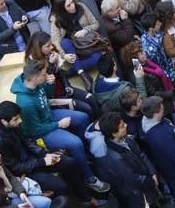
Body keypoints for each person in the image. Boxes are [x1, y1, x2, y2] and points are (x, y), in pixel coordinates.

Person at [11, 59, 109, 195]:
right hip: (41, 132)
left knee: (83, 118)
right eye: (44, 75)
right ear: (34, 78)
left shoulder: (34, 84)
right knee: (75, 143)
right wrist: (59, 124)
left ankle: (85, 154)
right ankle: (89, 179)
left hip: (48, 115)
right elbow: (34, 130)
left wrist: (50, 85)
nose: (46, 76)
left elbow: (44, 96)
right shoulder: (25, 104)